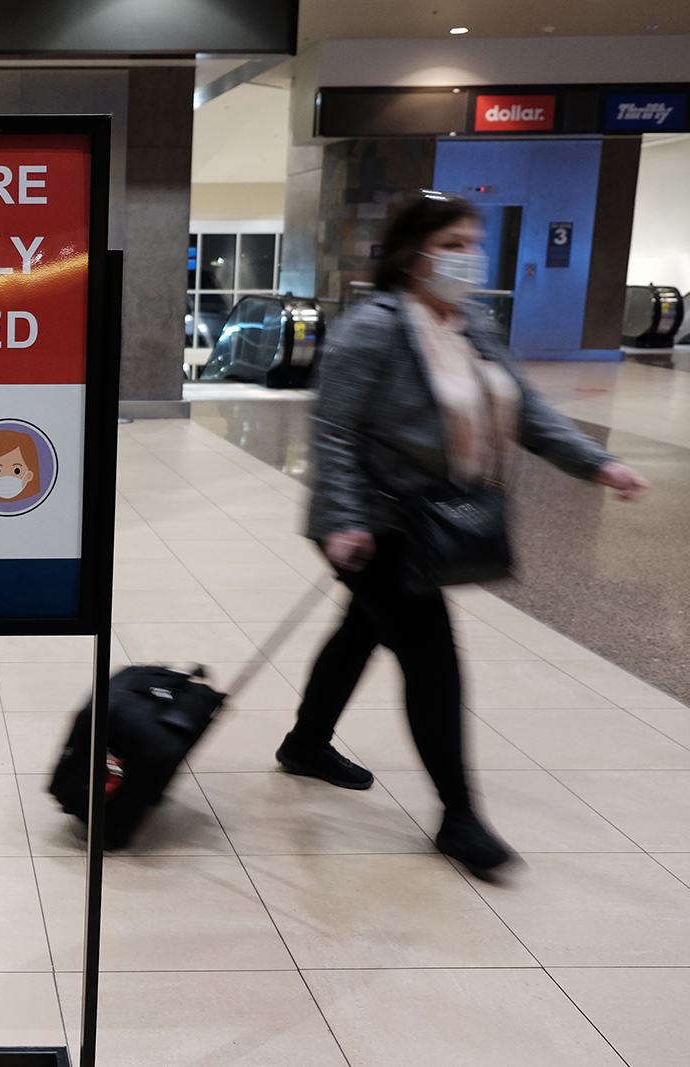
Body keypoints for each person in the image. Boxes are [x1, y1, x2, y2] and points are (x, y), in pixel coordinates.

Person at [278, 191, 649, 880]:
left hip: (427, 516)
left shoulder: (471, 324)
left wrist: (597, 463)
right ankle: (459, 816)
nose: (468, 256)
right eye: (452, 243)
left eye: (472, 242)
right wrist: (345, 517)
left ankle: (305, 743)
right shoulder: (375, 327)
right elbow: (333, 430)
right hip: (377, 522)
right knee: (432, 659)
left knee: (363, 628)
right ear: (412, 252)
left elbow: (527, 409)